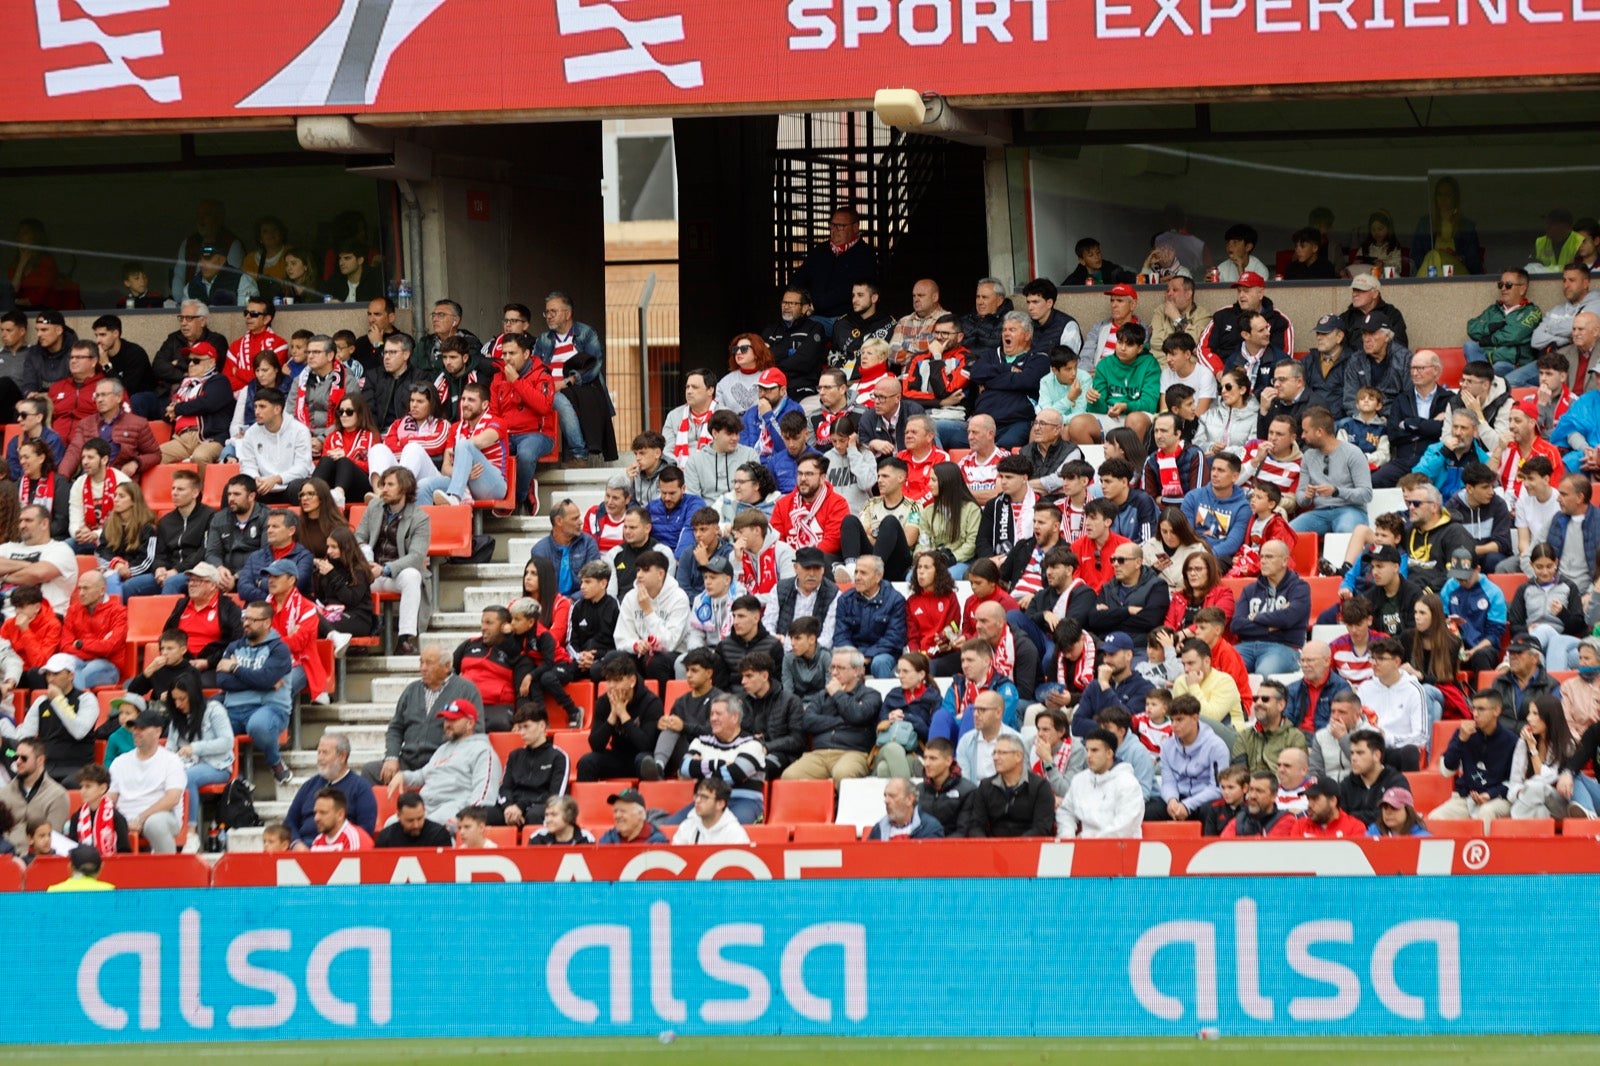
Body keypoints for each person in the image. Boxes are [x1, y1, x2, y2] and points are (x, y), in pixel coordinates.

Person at [364, 645, 484, 785]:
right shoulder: (411, 690)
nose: (423, 668)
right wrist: (391, 757)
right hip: (407, 762)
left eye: (429, 663)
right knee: (369, 771)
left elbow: (477, 730)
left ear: (447, 666)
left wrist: (450, 758)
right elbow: (395, 728)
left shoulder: (467, 690)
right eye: (421, 662)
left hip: (444, 762)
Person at [385, 699, 500, 831]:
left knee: (432, 827)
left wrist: (468, 818)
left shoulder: (483, 750)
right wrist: (403, 776)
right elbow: (423, 775)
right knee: (391, 825)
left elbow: (484, 796)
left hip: (454, 807)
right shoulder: (443, 748)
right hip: (426, 806)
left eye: (453, 720)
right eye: (446, 720)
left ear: (470, 723)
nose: (447, 724)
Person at [354, 466, 432, 654]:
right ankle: (356, 634)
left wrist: (385, 569)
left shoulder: (420, 518)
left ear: (404, 488)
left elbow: (416, 556)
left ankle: (404, 639)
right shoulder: (374, 506)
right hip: (370, 573)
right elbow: (358, 537)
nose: (384, 489)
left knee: (413, 575)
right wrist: (366, 559)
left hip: (395, 575)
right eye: (383, 484)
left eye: (390, 485)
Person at [534, 291, 615, 463]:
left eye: (553, 312)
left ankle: (579, 455)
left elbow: (594, 365)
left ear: (567, 313)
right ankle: (578, 453)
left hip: (581, 387)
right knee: (557, 399)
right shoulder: (543, 339)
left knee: (561, 400)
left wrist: (567, 382)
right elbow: (535, 368)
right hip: (549, 389)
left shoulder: (586, 333)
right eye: (546, 312)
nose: (548, 316)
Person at [783, 646, 880, 781]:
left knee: (843, 774)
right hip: (819, 754)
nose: (834, 673)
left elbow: (858, 715)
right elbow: (807, 722)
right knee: (789, 776)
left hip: (853, 753)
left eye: (840, 668)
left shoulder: (870, 695)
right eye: (832, 667)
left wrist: (837, 694)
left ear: (856, 671)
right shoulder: (822, 696)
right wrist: (844, 722)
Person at [163, 672, 234, 849]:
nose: (178, 704)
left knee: (187, 777)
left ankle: (190, 832)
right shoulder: (176, 718)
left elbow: (227, 742)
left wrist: (194, 748)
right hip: (186, 765)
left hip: (217, 765)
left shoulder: (214, 709)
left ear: (193, 695)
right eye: (175, 700)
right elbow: (171, 747)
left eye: (182, 699)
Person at [1431, 689, 1516, 826]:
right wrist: (1460, 741)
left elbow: (1516, 782)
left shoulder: (1511, 741)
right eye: (1473, 708)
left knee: (1485, 812)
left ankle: (1487, 848)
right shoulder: (1463, 733)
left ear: (1496, 711)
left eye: (1481, 709)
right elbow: (1446, 771)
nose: (1475, 714)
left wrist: (1491, 794)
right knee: (1435, 818)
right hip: (1466, 798)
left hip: (1498, 798)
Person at [107, 708, 187, 853]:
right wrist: (119, 819)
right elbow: (110, 797)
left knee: (154, 824)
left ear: (157, 731)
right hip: (124, 819)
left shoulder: (171, 760)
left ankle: (169, 869)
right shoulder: (120, 762)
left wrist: (141, 818)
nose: (136, 732)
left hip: (160, 816)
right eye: (134, 727)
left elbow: (172, 799)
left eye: (142, 728)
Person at [678, 693, 767, 824]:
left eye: (718, 714)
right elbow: (684, 768)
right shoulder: (700, 741)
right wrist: (718, 764)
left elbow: (733, 774)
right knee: (666, 832)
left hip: (743, 801)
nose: (713, 718)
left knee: (730, 830)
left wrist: (700, 768)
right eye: (712, 714)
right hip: (705, 802)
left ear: (735, 717)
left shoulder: (752, 744)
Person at [15, 653, 98, 785]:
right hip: (45, 766)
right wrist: (8, 751)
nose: (50, 679)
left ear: (71, 675)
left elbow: (79, 731)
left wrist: (59, 700)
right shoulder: (41, 702)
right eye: (48, 674)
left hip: (77, 767)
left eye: (56, 674)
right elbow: (24, 737)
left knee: (68, 784)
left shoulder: (87, 699)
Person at [578, 655, 664, 780]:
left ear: (632, 681)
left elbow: (646, 745)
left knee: (645, 760)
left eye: (617, 680)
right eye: (609, 681)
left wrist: (623, 715)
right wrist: (613, 716)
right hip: (619, 757)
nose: (611, 686)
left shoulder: (651, 702)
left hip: (644, 757)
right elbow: (596, 745)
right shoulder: (604, 702)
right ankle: (585, 799)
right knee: (587, 762)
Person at [284, 732, 377, 847]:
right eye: (319, 752)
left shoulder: (361, 788)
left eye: (325, 753)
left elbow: (365, 830)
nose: (320, 758)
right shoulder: (309, 785)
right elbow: (289, 822)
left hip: (340, 849)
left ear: (342, 756)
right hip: (303, 848)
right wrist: (296, 844)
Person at [1148, 695, 1230, 823]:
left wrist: (1187, 805)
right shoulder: (1167, 745)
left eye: (1180, 720)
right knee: (1149, 811)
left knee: (1210, 811)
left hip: (1204, 800)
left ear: (1195, 718)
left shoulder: (1216, 746)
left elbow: (1218, 788)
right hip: (1178, 798)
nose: (1174, 725)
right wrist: (1172, 801)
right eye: (1172, 720)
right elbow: (1168, 782)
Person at [1055, 726, 1143, 838]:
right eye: (1087, 750)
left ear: (1109, 754)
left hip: (1121, 850)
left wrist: (1092, 844)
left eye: (1094, 750)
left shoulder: (1127, 783)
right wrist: (1068, 837)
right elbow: (1066, 812)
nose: (1088, 755)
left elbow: (1124, 827)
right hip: (1083, 848)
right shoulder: (1080, 780)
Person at [965, 734, 1055, 837]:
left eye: (1001, 753)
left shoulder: (1040, 787)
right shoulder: (985, 786)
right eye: (994, 753)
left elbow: (1042, 827)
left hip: (1028, 848)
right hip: (993, 848)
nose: (995, 758)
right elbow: (975, 825)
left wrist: (1013, 847)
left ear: (1018, 756)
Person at [1466, 268, 1545, 387]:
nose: (1503, 288)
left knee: (1499, 367)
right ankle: (1486, 382)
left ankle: (1484, 384)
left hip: (1513, 365)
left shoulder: (1532, 311)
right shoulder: (1494, 310)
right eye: (1500, 284)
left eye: (1508, 285)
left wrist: (1489, 339)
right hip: (1487, 363)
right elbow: (1472, 328)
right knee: (1469, 346)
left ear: (1522, 289)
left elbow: (1514, 334)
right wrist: (1490, 328)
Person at [832, 555, 908, 679]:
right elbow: (840, 635)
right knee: (832, 659)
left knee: (880, 663)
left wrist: (866, 656)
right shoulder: (845, 599)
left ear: (878, 576)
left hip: (884, 653)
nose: (857, 577)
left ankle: (886, 698)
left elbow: (894, 638)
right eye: (856, 572)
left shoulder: (895, 600)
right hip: (853, 653)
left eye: (863, 573)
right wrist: (855, 657)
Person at [160, 339, 233, 465]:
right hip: (182, 439)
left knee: (200, 456)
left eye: (196, 361)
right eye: (188, 361)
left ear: (211, 362)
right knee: (156, 455)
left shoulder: (219, 381)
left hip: (210, 438)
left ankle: (204, 485)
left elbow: (206, 403)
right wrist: (170, 412)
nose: (191, 364)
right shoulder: (185, 385)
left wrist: (177, 409)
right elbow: (167, 412)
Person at [0, 504, 77, 615]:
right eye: (20, 521)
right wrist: (30, 565)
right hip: (4, 613)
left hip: (41, 619)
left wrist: (5, 576)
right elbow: (34, 572)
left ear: (44, 523)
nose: (22, 525)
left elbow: (39, 574)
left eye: (28, 520)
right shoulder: (8, 547)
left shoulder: (60, 550)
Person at [149, 468, 216, 595]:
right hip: (169, 572)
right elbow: (160, 554)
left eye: (180, 489)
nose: (174, 493)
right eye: (173, 488)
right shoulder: (165, 521)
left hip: (197, 572)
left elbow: (204, 551)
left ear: (195, 493)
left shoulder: (210, 516)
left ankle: (168, 615)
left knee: (172, 582)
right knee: (130, 586)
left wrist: (176, 570)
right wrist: (159, 569)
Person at [1181, 452, 1252, 568]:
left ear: (1235, 476)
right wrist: (1193, 553)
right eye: (1213, 469)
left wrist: (1205, 556)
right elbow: (1186, 532)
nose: (1214, 474)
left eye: (1221, 470)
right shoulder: (1192, 497)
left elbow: (1233, 543)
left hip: (1219, 557)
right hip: (1190, 550)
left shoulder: (1243, 508)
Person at [60, 571, 126, 691]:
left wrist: (80, 644)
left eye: (86, 588)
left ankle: (73, 706)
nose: (81, 593)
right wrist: (98, 648)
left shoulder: (118, 612)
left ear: (101, 590)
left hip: (108, 666)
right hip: (79, 661)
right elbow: (65, 646)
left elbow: (110, 647)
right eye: (79, 588)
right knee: (58, 665)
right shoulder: (73, 610)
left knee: (73, 676)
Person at [0, 738, 68, 850]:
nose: (18, 762)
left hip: (39, 861)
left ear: (40, 760)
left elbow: (52, 838)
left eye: (24, 758)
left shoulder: (58, 795)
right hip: (5, 857)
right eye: (16, 757)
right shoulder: (3, 794)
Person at [65, 763, 128, 856]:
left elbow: (124, 853)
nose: (82, 791)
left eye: (88, 786)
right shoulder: (76, 817)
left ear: (102, 788)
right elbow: (72, 849)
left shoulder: (117, 818)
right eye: (81, 786)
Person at [865, 775, 945, 840]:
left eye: (892, 796)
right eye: (885, 796)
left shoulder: (929, 828)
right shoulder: (879, 829)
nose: (886, 801)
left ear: (909, 799)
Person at [373, 792, 454, 848]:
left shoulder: (439, 835)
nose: (416, 825)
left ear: (424, 811)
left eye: (419, 818)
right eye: (410, 820)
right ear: (398, 815)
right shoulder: (385, 838)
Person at [598, 788, 668, 845]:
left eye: (623, 811)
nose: (617, 815)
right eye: (615, 811)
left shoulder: (658, 842)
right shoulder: (609, 838)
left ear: (640, 814)